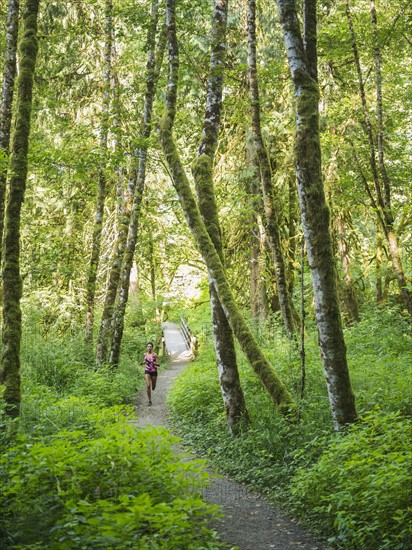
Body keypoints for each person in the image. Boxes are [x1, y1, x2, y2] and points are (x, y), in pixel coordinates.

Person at [141, 341, 159, 406]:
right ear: (146, 347)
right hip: (147, 371)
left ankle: (154, 385)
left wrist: (153, 362)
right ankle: (149, 400)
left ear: (152, 348)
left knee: (153, 387)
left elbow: (158, 364)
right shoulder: (145, 354)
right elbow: (144, 361)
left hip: (154, 371)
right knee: (148, 385)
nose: (149, 348)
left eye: (150, 347)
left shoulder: (155, 355)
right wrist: (142, 363)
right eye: (148, 346)